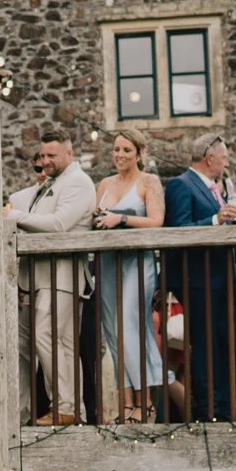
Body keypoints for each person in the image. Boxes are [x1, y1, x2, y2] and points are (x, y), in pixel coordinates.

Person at [7, 133, 95, 425]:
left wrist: (13, 216)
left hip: (63, 271)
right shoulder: (54, 183)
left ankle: (65, 406)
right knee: (52, 342)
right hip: (39, 274)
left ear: (69, 154)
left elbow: (58, 224)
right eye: (42, 156)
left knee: (47, 335)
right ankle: (65, 408)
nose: (45, 161)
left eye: (51, 156)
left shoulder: (78, 182)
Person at [162, 132, 236, 421]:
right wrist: (215, 219)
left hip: (225, 282)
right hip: (199, 282)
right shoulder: (180, 185)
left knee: (230, 343)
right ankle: (209, 410)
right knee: (207, 347)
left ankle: (226, 407)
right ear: (210, 158)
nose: (226, 163)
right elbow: (178, 230)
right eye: (224, 158)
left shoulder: (218, 188)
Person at [92, 130, 166, 424]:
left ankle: (145, 402)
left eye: (126, 150)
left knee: (130, 324)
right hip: (108, 262)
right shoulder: (104, 184)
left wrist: (121, 218)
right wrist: (99, 218)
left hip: (137, 261)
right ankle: (125, 404)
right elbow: (93, 220)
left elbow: (157, 222)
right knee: (113, 330)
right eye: (115, 150)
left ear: (139, 152)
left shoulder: (149, 182)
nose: (119, 155)